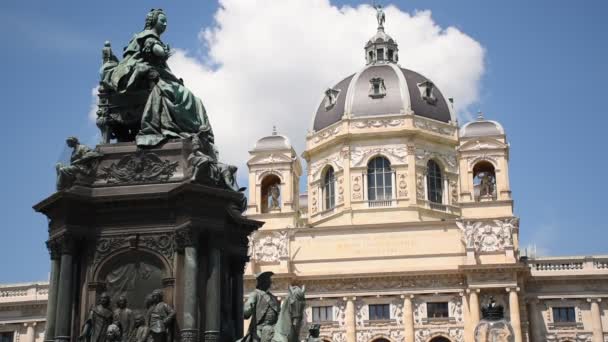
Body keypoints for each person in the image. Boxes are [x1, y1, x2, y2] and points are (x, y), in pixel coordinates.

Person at [106, 8, 214, 149]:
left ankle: (195, 130)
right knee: (183, 95)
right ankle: (186, 127)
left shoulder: (149, 37)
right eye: (162, 21)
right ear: (153, 22)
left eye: (166, 22)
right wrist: (164, 51)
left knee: (190, 97)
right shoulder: (148, 36)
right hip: (146, 79)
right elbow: (155, 49)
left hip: (154, 76)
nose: (165, 24)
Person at [240, 272, 280, 342]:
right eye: (268, 281)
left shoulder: (273, 297)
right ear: (262, 283)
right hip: (259, 328)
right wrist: (247, 309)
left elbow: (280, 313)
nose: (270, 283)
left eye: (269, 281)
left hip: (274, 328)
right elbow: (246, 312)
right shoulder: (255, 294)